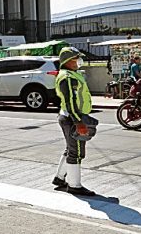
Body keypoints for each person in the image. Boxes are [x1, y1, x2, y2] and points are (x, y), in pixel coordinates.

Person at [53, 46, 96, 196]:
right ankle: (74, 185)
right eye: (75, 58)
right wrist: (79, 123)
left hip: (69, 117)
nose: (78, 61)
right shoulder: (68, 77)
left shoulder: (71, 74)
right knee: (76, 153)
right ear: (67, 61)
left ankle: (59, 178)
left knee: (70, 149)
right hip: (72, 118)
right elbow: (70, 102)